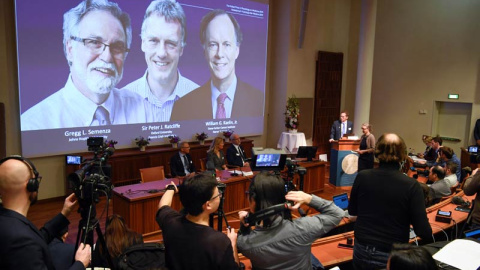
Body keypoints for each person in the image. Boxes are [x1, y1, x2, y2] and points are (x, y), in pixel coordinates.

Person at [21, 0, 147, 130]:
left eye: (117, 47)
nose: (107, 57)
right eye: (94, 42)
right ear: (70, 49)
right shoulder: (34, 125)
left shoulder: (143, 110)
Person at [348, 133, 432, 270]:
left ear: (377, 151)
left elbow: (352, 211)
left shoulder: (362, 177)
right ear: (402, 155)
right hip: (391, 254)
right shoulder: (412, 185)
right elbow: (423, 231)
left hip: (361, 248)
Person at [236, 172, 344, 270]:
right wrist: (308, 198)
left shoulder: (245, 244)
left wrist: (244, 225)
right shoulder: (303, 228)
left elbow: (242, 239)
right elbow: (337, 213)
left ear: (253, 201)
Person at [171, 9, 264, 121]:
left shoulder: (259, 101)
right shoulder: (183, 106)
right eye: (213, 45)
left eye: (227, 44)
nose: (220, 54)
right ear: (204, 51)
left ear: (237, 50)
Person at [0, 156, 91, 269]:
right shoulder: (21, 240)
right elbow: (29, 242)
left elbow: (38, 237)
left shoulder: (9, 221)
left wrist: (64, 213)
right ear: (31, 185)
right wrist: (80, 264)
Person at [123, 0, 198, 122]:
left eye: (171, 43)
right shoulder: (120, 102)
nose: (162, 53)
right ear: (143, 44)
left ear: (181, 49)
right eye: (153, 41)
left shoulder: (202, 100)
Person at [156, 174, 240, 269]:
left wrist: (170, 189)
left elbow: (163, 206)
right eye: (218, 195)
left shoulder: (170, 223)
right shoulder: (219, 242)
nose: (220, 197)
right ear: (208, 205)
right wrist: (232, 244)